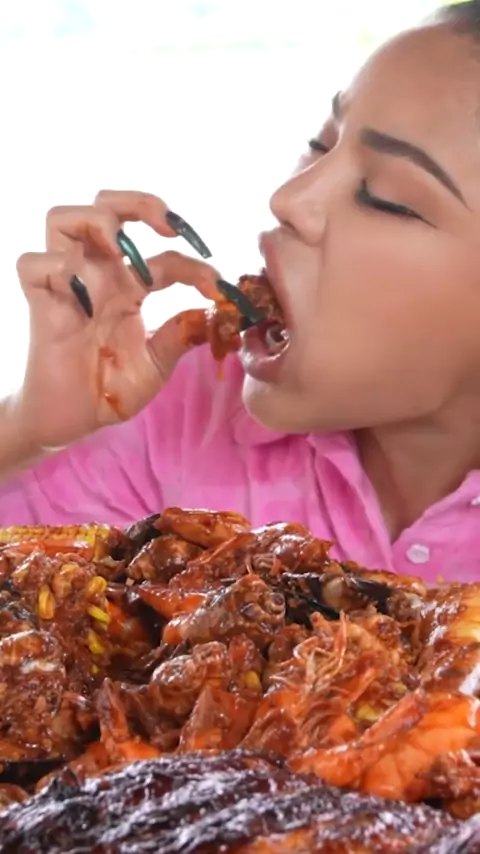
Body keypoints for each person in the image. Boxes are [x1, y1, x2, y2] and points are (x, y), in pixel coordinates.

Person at [0, 1, 479, 585]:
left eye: (384, 197)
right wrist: (26, 429)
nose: (287, 199)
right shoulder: (179, 406)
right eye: (320, 145)